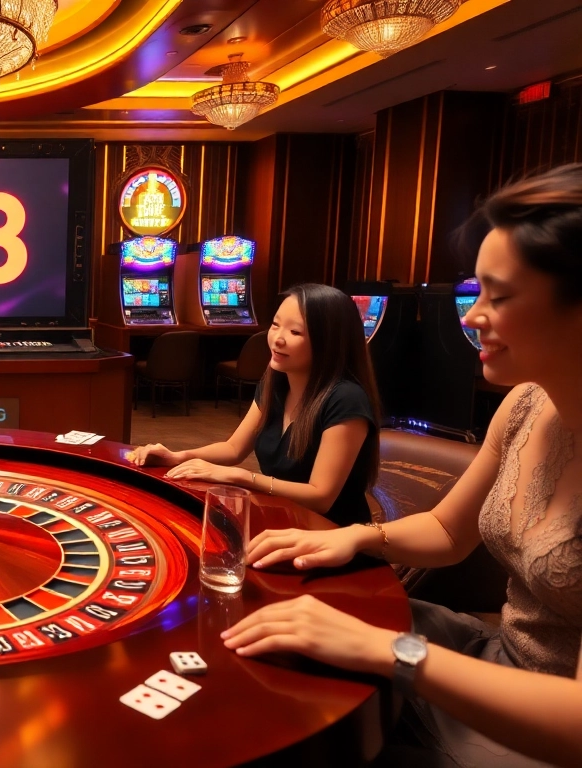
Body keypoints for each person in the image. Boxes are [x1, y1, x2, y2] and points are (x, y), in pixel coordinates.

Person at [224, 164, 582, 765]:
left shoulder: (344, 400)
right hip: (489, 653)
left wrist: (391, 650)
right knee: (269, 633)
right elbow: (446, 531)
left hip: (544, 723)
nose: (469, 316)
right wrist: (357, 538)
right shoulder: (526, 404)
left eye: (499, 297)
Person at [130, 283, 381, 526]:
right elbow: (233, 448)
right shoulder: (277, 382)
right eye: (275, 325)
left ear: (329, 342)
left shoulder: (346, 399)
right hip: (285, 518)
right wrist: (177, 456)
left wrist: (243, 477)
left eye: (295, 332)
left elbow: (321, 498)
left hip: (333, 537)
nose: (277, 339)